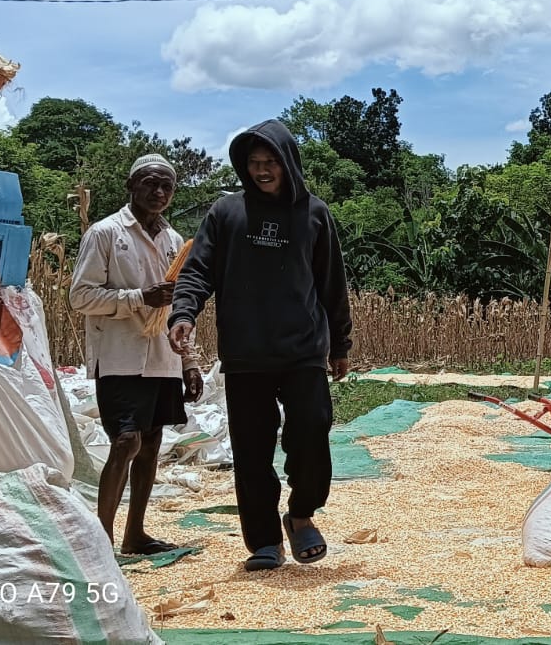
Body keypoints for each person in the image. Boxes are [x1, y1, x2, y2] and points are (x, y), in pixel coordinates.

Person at [168, 120, 353, 572]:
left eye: (271, 161)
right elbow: (197, 270)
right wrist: (184, 313)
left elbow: (332, 283)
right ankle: (265, 541)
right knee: (251, 451)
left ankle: (301, 515)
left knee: (312, 433)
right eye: (254, 162)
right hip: (245, 353)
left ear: (288, 163)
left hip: (303, 350)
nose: (262, 170)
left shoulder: (314, 213)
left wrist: (340, 344)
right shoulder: (226, 212)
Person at [70, 154, 203, 554]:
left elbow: (179, 308)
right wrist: (139, 297)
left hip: (163, 357)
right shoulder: (106, 233)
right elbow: (81, 296)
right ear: (131, 186)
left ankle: (135, 535)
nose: (159, 192)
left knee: (150, 444)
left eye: (167, 186)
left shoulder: (175, 241)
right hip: (119, 355)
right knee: (125, 440)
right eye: (150, 183)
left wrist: (190, 362)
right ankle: (102, 539)